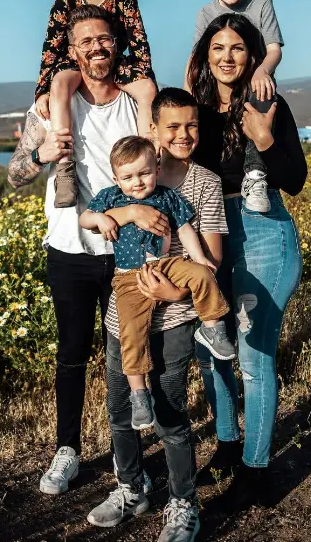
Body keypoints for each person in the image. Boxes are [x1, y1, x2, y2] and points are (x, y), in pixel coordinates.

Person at [86, 88, 229, 542]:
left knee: (169, 411)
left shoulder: (202, 183)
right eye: (173, 126)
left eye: (192, 126)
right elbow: (89, 219)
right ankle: (131, 488)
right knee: (121, 407)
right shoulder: (128, 178)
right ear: (153, 131)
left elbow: (210, 256)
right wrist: (127, 211)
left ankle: (183, 501)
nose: (184, 134)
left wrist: (173, 292)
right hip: (122, 311)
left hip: (176, 313)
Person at [8, 4, 141, 496]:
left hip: (127, 249)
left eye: (104, 39)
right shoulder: (48, 107)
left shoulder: (135, 103)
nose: (96, 48)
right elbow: (15, 173)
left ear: (118, 44)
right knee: (71, 353)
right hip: (69, 247)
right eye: (85, 41)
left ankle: (126, 452)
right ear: (71, 50)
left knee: (127, 354)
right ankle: (67, 450)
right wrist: (41, 155)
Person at [188, 14, 307, 512]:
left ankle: (257, 472)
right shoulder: (194, 109)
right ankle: (228, 444)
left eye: (238, 47)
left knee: (255, 360)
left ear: (253, 55)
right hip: (210, 232)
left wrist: (261, 135)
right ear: (205, 54)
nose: (227, 57)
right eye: (218, 47)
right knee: (211, 347)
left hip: (263, 233)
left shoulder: (269, 105)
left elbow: (294, 178)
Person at [79, 135, 231, 430]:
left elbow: (185, 229)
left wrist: (200, 258)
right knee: (131, 333)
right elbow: (85, 218)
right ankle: (139, 392)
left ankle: (212, 328)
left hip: (167, 265)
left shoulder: (167, 196)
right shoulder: (110, 198)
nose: (137, 182)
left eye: (144, 173)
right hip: (128, 277)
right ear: (116, 178)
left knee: (203, 275)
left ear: (157, 170)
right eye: (128, 176)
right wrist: (101, 220)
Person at [35, 0, 157, 209]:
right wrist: (41, 90)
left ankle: (151, 157)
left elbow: (138, 38)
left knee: (147, 89)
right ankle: (65, 169)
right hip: (75, 61)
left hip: (116, 61)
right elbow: (51, 44)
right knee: (60, 83)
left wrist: (145, 77)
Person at [189, 0, 284, 214]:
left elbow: (275, 49)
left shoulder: (262, 4)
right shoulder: (206, 13)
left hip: (255, 84)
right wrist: (187, 91)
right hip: (218, 85)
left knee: (262, 94)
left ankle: (255, 175)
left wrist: (263, 69)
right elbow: (196, 56)